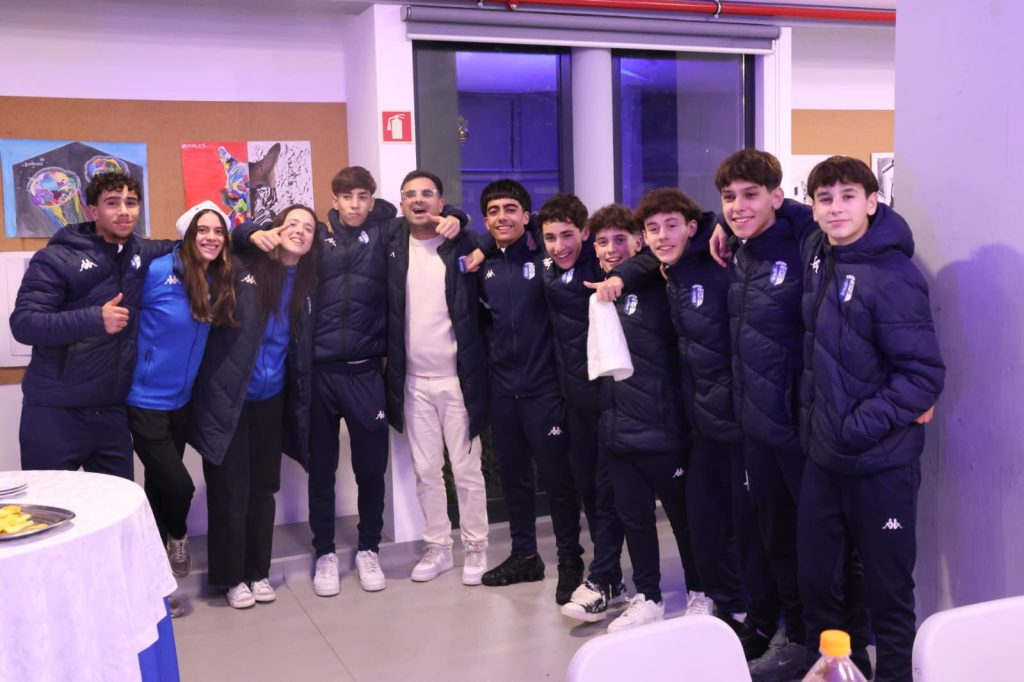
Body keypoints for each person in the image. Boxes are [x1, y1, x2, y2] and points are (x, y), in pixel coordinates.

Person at [797, 156, 944, 682]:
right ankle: (844, 672)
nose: (836, 208)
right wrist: (720, 230)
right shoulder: (818, 252)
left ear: (872, 202)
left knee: (887, 591)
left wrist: (853, 428)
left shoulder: (894, 275)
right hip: (824, 460)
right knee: (821, 584)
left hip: (879, 463)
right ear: (813, 207)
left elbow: (923, 376)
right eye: (824, 198)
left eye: (848, 196)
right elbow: (764, 213)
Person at [638, 187, 779, 658]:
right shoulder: (673, 275)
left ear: (693, 227)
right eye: (652, 229)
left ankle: (757, 622)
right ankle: (728, 609)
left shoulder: (719, 267)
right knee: (704, 525)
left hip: (741, 426)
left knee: (748, 531)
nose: (662, 236)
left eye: (671, 226)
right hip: (704, 427)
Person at [711, 149, 814, 681]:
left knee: (813, 541)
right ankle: (790, 632)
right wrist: (720, 224)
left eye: (751, 195)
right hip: (756, 426)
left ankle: (815, 640)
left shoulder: (803, 242)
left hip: (799, 428)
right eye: (729, 198)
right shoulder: (739, 252)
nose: (737, 206)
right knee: (773, 537)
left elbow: (875, 226)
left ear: (777, 196)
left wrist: (786, 208)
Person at [188, 204, 318, 609]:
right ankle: (231, 578)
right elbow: (226, 240)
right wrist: (248, 232)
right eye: (292, 223)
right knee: (230, 490)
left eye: (308, 227)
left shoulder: (309, 281)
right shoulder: (245, 268)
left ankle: (258, 572)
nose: (299, 231)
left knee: (263, 490)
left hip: (271, 399)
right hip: (229, 397)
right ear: (275, 229)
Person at [11, 171, 173, 479]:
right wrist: (95, 319)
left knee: (117, 503)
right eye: (112, 202)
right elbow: (25, 324)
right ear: (92, 211)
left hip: (111, 412)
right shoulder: (55, 258)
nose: (124, 211)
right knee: (51, 505)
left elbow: (192, 243)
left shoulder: (140, 252)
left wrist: (247, 234)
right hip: (54, 412)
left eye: (131, 202)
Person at [583, 204, 699, 633]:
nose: (611, 249)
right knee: (634, 520)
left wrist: (624, 276)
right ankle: (648, 596)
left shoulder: (658, 280)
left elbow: (654, 260)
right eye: (602, 242)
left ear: (638, 241)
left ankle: (701, 592)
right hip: (618, 431)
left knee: (686, 522)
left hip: (664, 430)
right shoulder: (597, 294)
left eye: (621, 239)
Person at [474, 179, 585, 605]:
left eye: (511, 209)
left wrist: (535, 227)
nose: (502, 217)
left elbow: (562, 235)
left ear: (526, 215)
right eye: (493, 211)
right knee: (514, 479)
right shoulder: (482, 267)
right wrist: (486, 245)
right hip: (503, 391)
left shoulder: (547, 258)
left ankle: (570, 560)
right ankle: (524, 556)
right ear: (486, 220)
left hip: (546, 390)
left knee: (558, 480)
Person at [125, 200, 236, 616]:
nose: (211, 237)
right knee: (180, 486)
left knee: (159, 486)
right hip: (144, 400)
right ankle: (177, 535)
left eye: (218, 231)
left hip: (183, 401)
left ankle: (156, 589)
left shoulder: (217, 277)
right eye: (202, 230)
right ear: (188, 235)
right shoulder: (157, 272)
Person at [384, 170, 490, 585]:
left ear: (440, 202)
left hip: (458, 380)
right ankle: (438, 547)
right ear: (401, 203)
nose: (418, 200)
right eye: (410, 194)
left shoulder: (462, 244)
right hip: (413, 382)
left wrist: (460, 220)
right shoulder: (393, 245)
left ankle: (476, 547)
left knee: (466, 470)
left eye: (427, 193)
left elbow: (491, 241)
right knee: (427, 470)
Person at [533, 193, 627, 622]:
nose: (559, 246)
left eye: (567, 235)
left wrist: (620, 276)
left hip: (611, 400)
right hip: (575, 403)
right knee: (590, 490)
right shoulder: (548, 269)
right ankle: (611, 578)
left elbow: (642, 262)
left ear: (585, 233)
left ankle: (605, 578)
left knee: (609, 494)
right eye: (550, 237)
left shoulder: (601, 266)